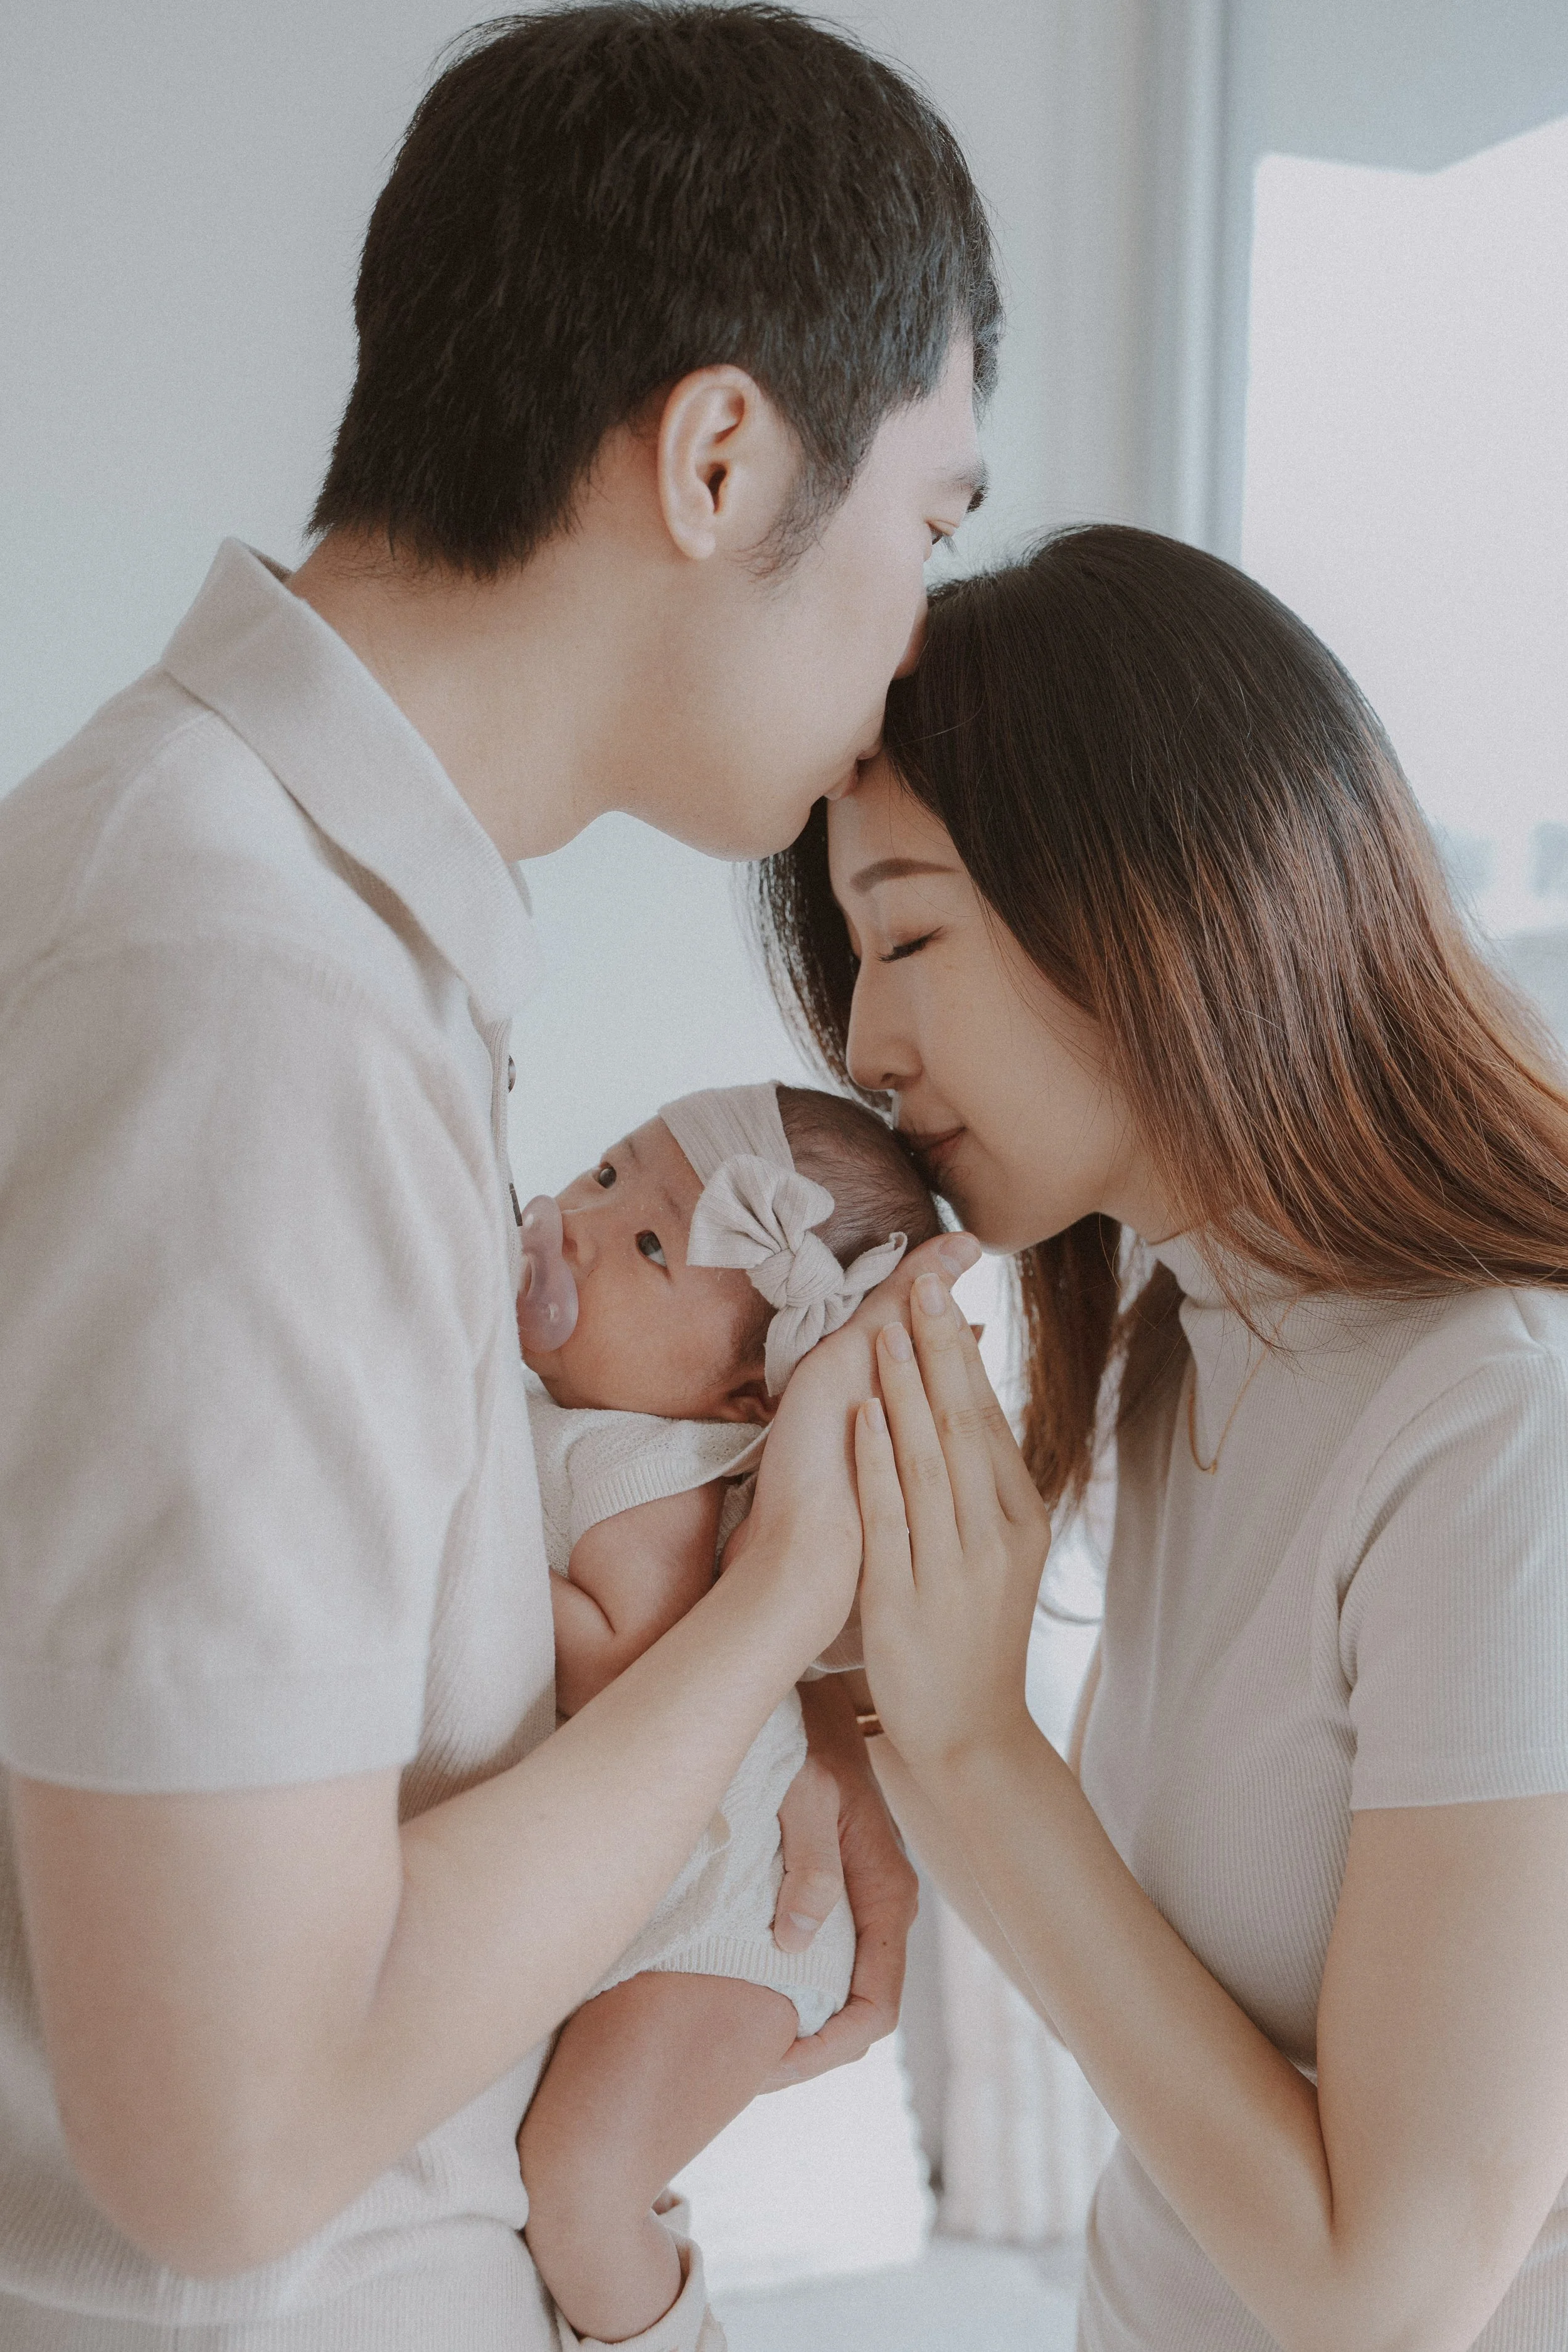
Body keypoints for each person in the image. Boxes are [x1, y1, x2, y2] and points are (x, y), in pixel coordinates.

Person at [0, 9, 993, 2348]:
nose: (920, 636)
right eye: (932, 520)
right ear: (727, 458)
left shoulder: (304, 933)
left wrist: (802, 1721)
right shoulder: (244, 993)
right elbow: (222, 2139)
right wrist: (763, 1622)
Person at [755, 524, 1568, 2352]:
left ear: (1153, 896)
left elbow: (1389, 2288)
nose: (867, 1036)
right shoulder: (1177, 1355)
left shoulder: (1498, 1422)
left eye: (906, 930)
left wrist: (967, 1739)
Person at [514, 1081, 941, 2345]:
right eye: (600, 1174)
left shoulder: (647, 1467)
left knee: (578, 2195)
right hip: (651, 1903)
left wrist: (455, 1549)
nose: (579, 1227)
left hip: (723, 1926)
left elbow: (619, 1659)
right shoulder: (564, 1422)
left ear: (748, 1400)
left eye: (650, 1247)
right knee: (585, 2171)